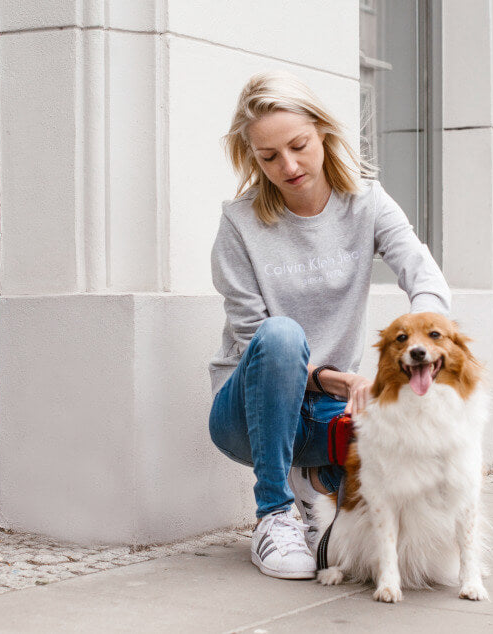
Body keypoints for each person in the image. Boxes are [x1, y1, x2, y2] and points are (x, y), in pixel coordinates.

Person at [207, 71, 451, 580]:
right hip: (248, 414)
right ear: (253, 158)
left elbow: (422, 272)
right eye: (269, 157)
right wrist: (327, 377)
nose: (288, 166)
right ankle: (273, 514)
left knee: (378, 533)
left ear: (321, 131)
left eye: (298, 146)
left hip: (329, 411)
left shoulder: (368, 203)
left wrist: (421, 341)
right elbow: (254, 337)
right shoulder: (240, 223)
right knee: (281, 334)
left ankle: (318, 482)